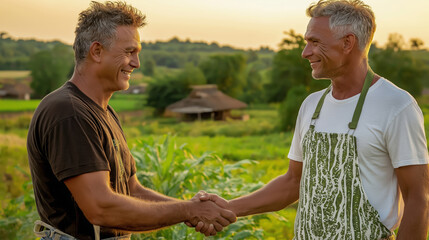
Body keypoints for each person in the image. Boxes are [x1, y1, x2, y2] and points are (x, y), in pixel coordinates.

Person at [194, 0, 429, 239]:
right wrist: (227, 208)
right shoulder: (311, 106)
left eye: (315, 42)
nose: (305, 52)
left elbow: (418, 200)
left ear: (348, 43)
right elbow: (293, 182)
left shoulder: (396, 106)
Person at [27, 2, 236, 240]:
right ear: (96, 52)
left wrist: (190, 209)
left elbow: (132, 191)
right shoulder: (69, 112)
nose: (136, 63)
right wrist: (190, 210)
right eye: (129, 52)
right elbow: (101, 208)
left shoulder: (103, 112)